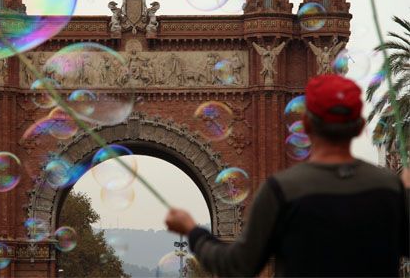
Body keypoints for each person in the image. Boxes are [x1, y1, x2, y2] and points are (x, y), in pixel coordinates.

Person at [166, 74, 409, 277]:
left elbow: (238, 265)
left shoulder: (282, 190)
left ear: (307, 124)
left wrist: (192, 231)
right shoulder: (389, 188)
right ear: (359, 126)